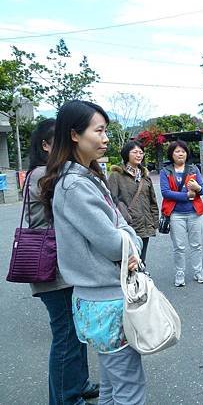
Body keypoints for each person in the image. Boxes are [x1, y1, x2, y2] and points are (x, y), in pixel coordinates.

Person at [40, 100, 146, 404]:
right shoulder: (76, 185)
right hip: (107, 300)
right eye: (98, 131)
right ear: (75, 135)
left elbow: (121, 228)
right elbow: (116, 243)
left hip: (96, 299)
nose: (105, 138)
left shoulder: (83, 177)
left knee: (113, 385)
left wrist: (124, 233)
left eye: (106, 131)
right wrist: (129, 238)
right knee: (129, 387)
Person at [25, 119, 99, 405]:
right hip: (51, 268)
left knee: (75, 331)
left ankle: (78, 384)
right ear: (45, 146)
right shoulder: (43, 175)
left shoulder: (54, 173)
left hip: (64, 266)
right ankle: (65, 399)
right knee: (66, 335)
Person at [160, 140, 203, 287]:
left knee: (196, 244)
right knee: (179, 246)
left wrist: (197, 187)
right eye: (177, 151)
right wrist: (187, 195)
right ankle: (179, 273)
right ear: (171, 154)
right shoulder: (165, 171)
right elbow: (165, 193)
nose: (180, 154)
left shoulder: (194, 169)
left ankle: (198, 271)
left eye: (183, 151)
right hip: (176, 214)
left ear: (187, 154)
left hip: (195, 213)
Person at [108, 141, 159, 264]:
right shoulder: (116, 175)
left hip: (145, 224)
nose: (139, 155)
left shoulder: (145, 176)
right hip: (127, 224)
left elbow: (152, 201)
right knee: (128, 260)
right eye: (135, 152)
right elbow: (111, 201)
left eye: (141, 152)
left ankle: (140, 282)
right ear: (126, 154)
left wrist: (154, 221)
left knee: (141, 259)